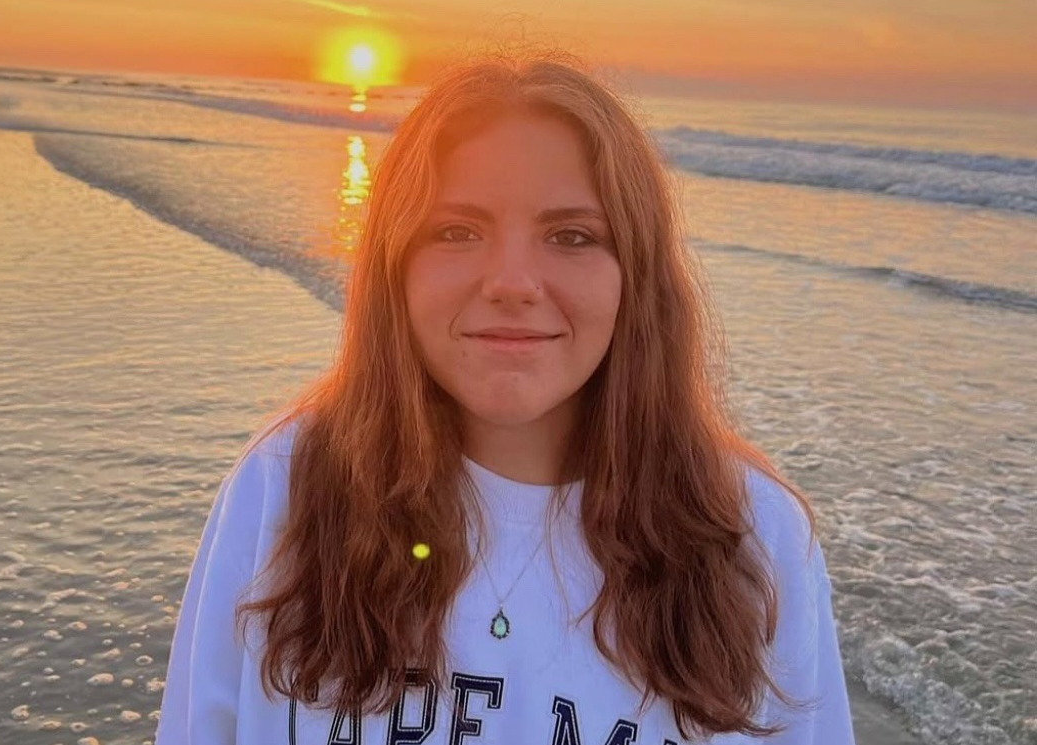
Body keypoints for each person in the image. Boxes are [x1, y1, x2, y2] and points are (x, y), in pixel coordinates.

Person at [154, 51, 854, 744]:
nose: (513, 282)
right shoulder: (286, 485)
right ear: (394, 265)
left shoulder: (754, 536)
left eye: (572, 236)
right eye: (457, 232)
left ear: (636, 276)